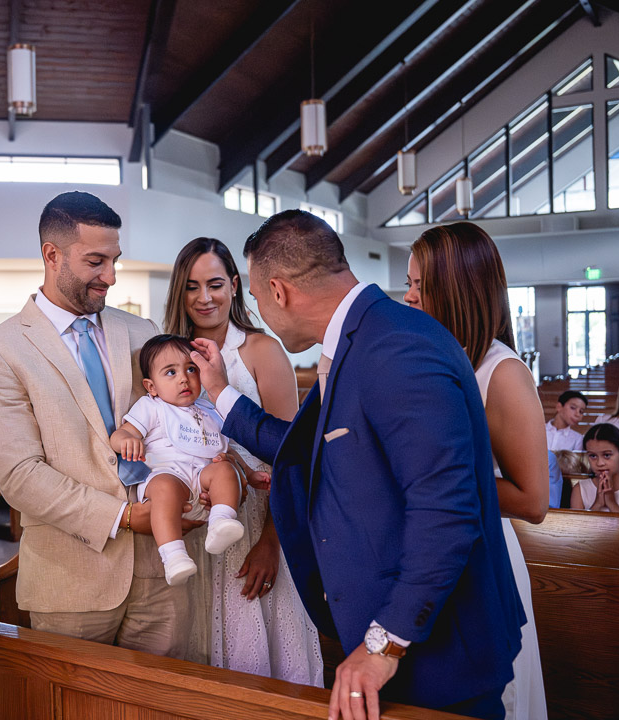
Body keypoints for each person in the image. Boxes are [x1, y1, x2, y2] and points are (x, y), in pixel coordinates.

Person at [191, 210, 524, 720]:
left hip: (436, 651)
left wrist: (384, 644)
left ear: (278, 291)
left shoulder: (396, 347)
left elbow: (446, 512)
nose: (259, 309)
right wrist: (219, 391)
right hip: (393, 636)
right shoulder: (360, 337)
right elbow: (306, 448)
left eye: (255, 297)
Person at [0, 191, 201, 659]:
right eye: (96, 261)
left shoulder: (142, 332)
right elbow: (19, 475)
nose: (110, 276)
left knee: (163, 696)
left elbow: (177, 421)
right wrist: (122, 518)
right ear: (52, 255)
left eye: (114, 260)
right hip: (71, 579)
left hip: (162, 569)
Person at [164, 237, 323, 685]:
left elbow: (291, 458)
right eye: (192, 286)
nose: (204, 297)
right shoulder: (169, 356)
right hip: (194, 525)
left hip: (257, 523)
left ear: (234, 285)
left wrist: (272, 542)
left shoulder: (260, 350)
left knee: (258, 659)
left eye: (215, 284)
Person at [405, 222, 548, 720]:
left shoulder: (501, 372)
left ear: (457, 288)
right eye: (409, 283)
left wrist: (435, 478)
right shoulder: (435, 356)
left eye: (421, 285)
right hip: (429, 550)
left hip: (482, 553)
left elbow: (533, 500)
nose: (409, 296)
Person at [111, 334, 265, 585]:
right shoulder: (152, 406)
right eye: (171, 372)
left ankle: (221, 522)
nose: (183, 378)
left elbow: (226, 450)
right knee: (164, 488)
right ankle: (174, 556)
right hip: (168, 475)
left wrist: (248, 473)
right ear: (151, 386)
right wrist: (126, 441)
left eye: (191, 369)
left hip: (204, 480)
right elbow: (121, 434)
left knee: (225, 468)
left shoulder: (210, 409)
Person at [572, 424, 619, 514]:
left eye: (607, 455)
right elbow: (577, 523)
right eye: (593, 456)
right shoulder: (580, 489)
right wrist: (597, 504)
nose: (600, 463)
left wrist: (612, 503)